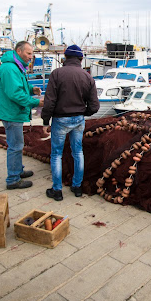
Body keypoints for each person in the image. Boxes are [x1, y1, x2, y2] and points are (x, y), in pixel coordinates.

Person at [42, 44, 99, 201]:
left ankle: (57, 190)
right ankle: (77, 187)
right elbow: (95, 106)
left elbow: (49, 101)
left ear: (65, 58)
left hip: (60, 119)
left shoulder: (57, 74)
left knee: (56, 154)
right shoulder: (87, 77)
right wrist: (83, 113)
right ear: (81, 59)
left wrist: (46, 121)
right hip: (78, 119)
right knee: (78, 152)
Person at [0, 41, 42, 190]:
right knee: (15, 146)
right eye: (28, 53)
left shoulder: (15, 66)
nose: (31, 57)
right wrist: (36, 103)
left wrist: (31, 89)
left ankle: (18, 170)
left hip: (13, 112)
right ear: (19, 51)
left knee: (16, 144)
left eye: (32, 53)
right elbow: (15, 93)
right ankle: (13, 179)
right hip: (12, 114)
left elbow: (19, 86)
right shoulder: (10, 68)